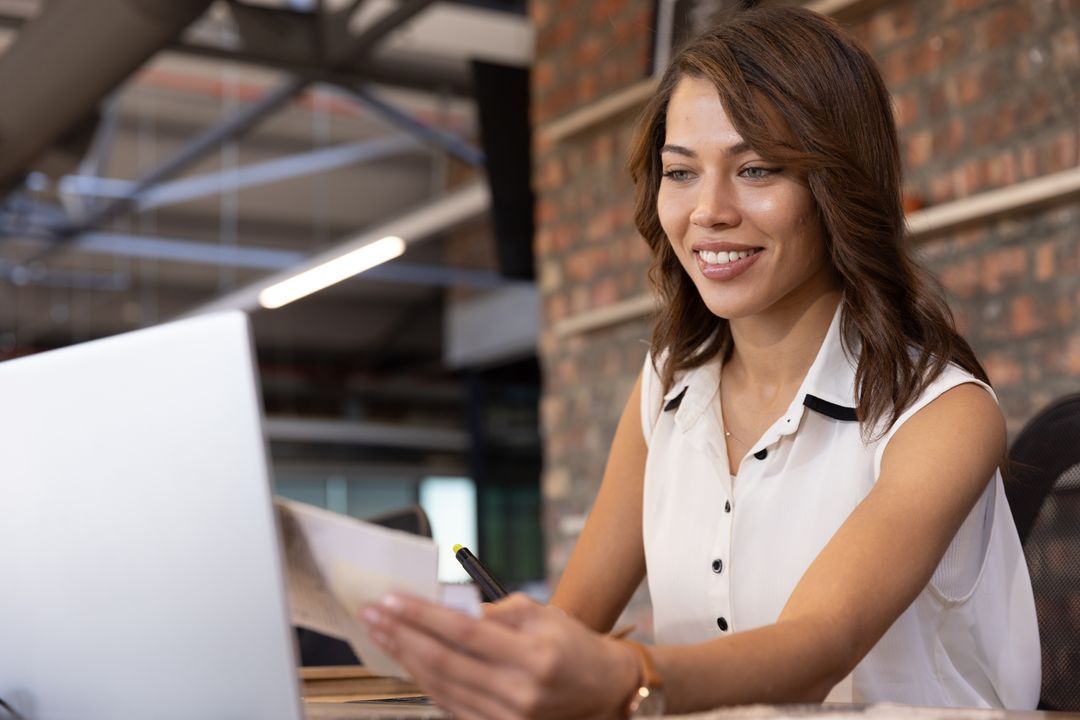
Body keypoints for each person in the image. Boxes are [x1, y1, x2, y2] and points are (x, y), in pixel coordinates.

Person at [360, 4, 1041, 717]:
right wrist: (497, 652)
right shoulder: (667, 387)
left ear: (838, 188)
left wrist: (625, 674)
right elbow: (573, 618)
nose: (708, 210)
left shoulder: (943, 413)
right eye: (680, 173)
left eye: (755, 168)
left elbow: (817, 647)